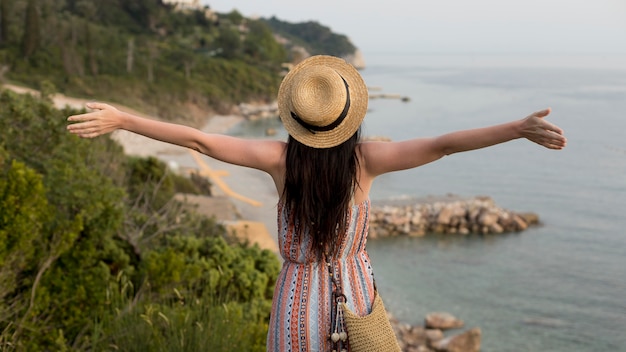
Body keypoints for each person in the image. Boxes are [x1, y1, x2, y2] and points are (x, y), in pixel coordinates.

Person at [67, 55, 566, 352]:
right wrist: (515, 129)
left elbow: (198, 141)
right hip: (354, 296)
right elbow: (443, 144)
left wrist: (124, 119)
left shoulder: (279, 160)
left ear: (298, 119)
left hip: (296, 299)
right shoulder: (367, 162)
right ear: (348, 117)